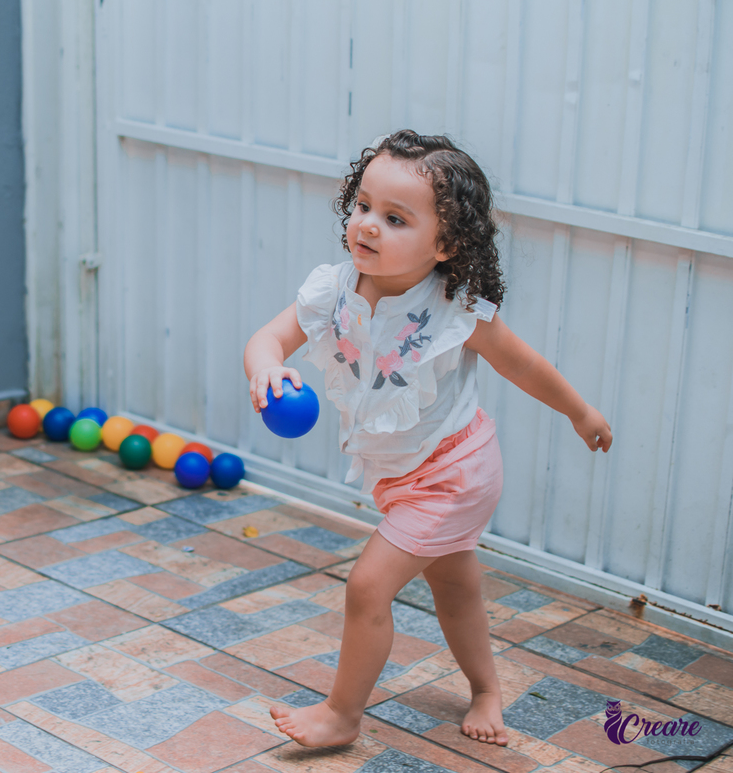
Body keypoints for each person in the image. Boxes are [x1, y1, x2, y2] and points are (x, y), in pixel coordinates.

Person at [244, 130, 612, 747]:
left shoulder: (455, 310)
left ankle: (342, 715)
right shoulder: (334, 290)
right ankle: (487, 690)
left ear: (445, 244)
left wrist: (581, 412)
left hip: (454, 472)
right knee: (455, 586)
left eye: (395, 218)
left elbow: (523, 365)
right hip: (400, 474)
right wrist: (266, 368)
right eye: (363, 206)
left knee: (368, 587)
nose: (367, 224)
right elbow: (268, 338)